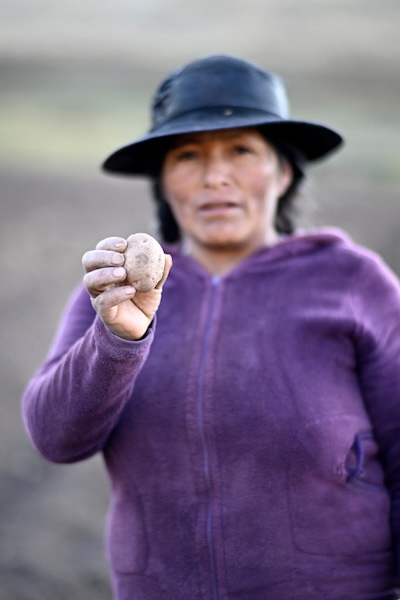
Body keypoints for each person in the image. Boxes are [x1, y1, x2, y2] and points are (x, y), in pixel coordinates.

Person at [22, 55, 400, 600]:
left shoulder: (353, 280)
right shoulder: (114, 296)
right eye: (188, 155)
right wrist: (119, 340)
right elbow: (54, 438)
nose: (214, 175)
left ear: (284, 171)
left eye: (241, 150)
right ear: (163, 181)